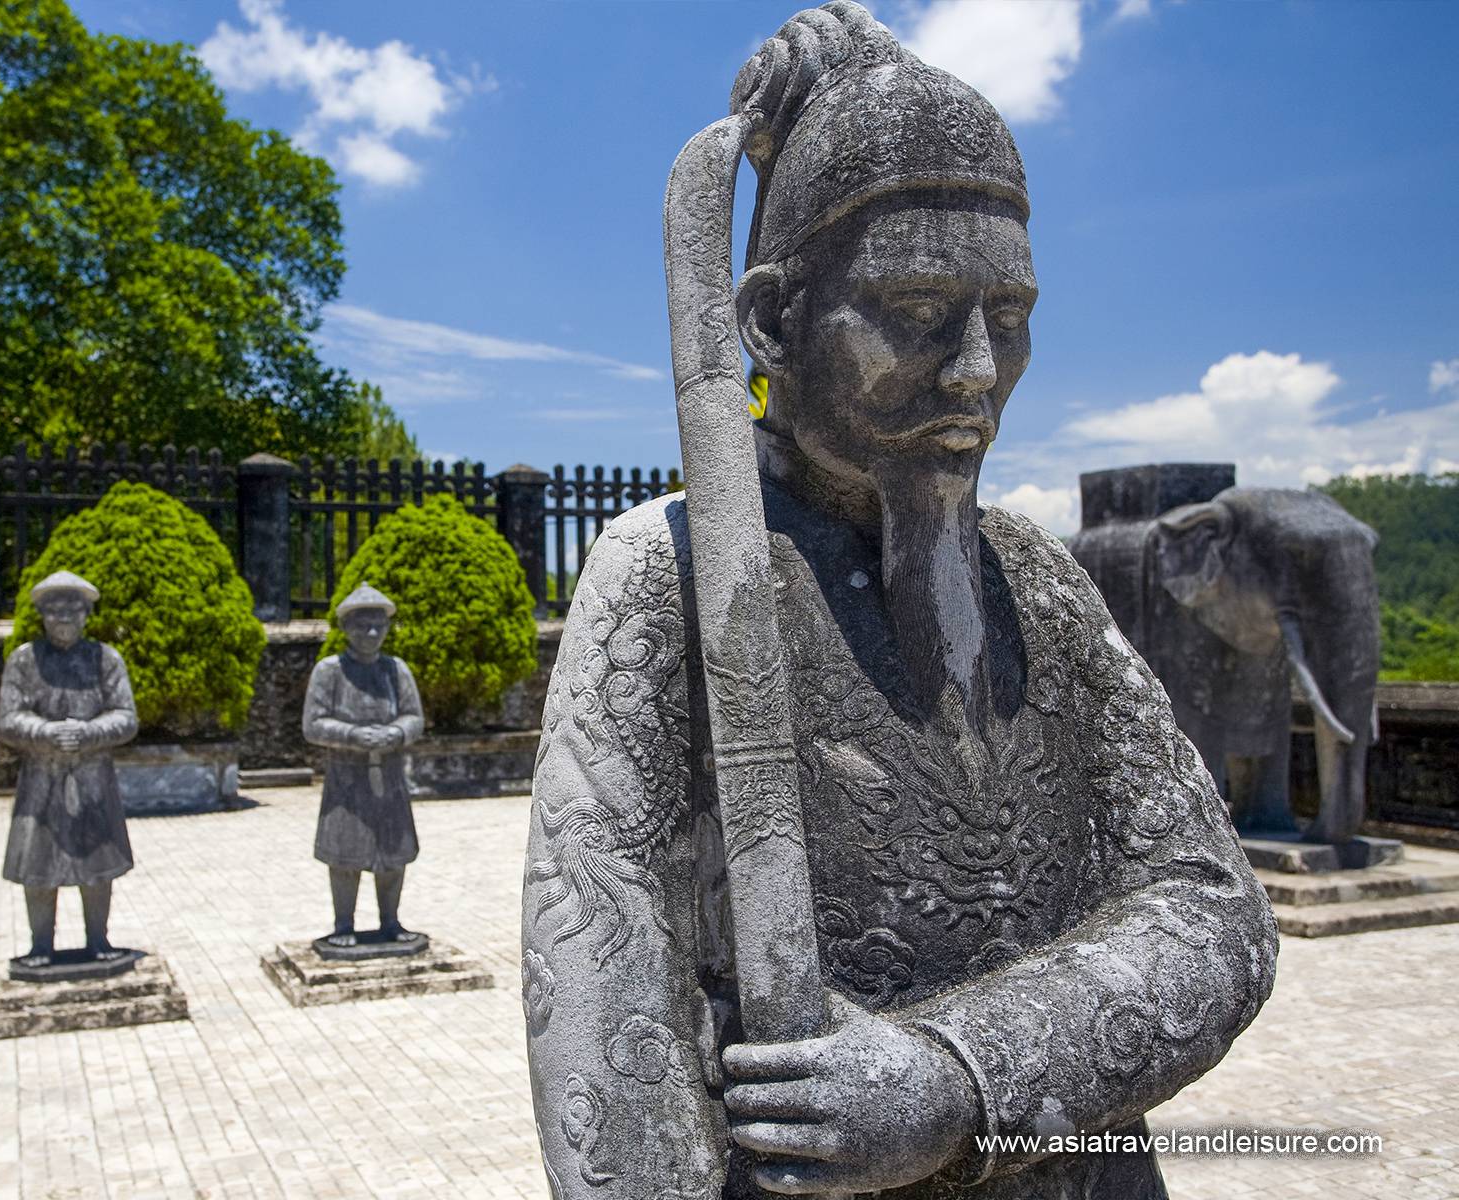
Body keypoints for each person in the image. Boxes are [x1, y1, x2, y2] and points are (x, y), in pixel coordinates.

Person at [523, 6, 1277, 1197]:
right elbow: (606, 1027)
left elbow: (1213, 912)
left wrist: (958, 1077)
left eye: (1010, 318)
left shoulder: (1036, 580)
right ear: (772, 321)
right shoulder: (663, 577)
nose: (978, 369)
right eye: (920, 313)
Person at [0, 570, 139, 967]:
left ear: (86, 615)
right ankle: (40, 944)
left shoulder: (106, 659)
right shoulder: (24, 660)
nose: (64, 618)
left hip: (92, 777)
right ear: (42, 615)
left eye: (73, 610)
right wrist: (46, 732)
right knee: (38, 864)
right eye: (54, 611)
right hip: (41, 779)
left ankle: (99, 939)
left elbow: (126, 716)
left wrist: (89, 732)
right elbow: (8, 718)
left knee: (97, 864)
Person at [302, 583, 426, 949]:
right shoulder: (329, 672)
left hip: (389, 778)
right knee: (345, 855)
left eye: (378, 626)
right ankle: (343, 924)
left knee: (393, 854)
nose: (371, 634)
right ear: (345, 629)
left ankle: (391, 921)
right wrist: (353, 735)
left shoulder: (396, 670)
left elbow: (414, 717)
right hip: (346, 780)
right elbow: (313, 724)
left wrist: (395, 733)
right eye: (362, 626)